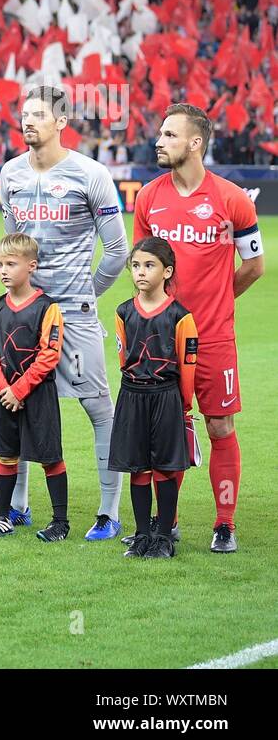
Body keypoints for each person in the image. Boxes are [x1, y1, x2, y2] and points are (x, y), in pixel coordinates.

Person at [0, 86, 129, 542]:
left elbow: (118, 250)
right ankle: (17, 507)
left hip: (74, 315)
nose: (28, 121)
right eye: (23, 114)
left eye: (38, 114)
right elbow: (12, 247)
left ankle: (108, 512)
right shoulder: (10, 173)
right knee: (18, 404)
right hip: (24, 315)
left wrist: (84, 293)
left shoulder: (90, 174)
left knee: (98, 409)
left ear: (62, 121)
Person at [133, 103, 264, 553]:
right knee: (162, 430)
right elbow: (143, 266)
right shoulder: (148, 198)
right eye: (160, 133)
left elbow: (254, 266)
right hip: (160, 341)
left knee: (221, 427)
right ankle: (164, 521)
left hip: (213, 339)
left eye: (169, 134)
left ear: (195, 143)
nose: (159, 141)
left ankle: (224, 523)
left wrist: (218, 302)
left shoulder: (232, 200)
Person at [110, 237, 198, 560]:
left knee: (163, 468)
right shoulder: (122, 312)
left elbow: (187, 367)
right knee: (138, 469)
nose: (141, 273)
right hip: (132, 396)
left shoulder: (180, 316)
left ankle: (163, 536)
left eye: (149, 266)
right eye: (135, 266)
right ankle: (142, 535)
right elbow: (122, 358)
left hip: (166, 398)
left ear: (167, 271)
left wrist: (184, 405)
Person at [0, 233, 69, 542]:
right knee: (6, 456)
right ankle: (1, 515)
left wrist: (20, 390)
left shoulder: (47, 308)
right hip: (5, 396)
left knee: (49, 457)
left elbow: (50, 354)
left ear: (31, 266)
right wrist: (5, 388)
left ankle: (60, 522)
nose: (3, 270)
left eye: (11, 264)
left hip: (37, 395)